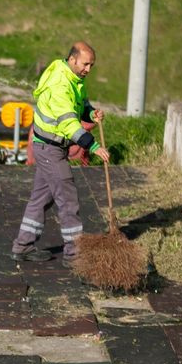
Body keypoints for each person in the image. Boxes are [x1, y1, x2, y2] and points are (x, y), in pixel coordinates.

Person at [12, 42, 110, 266]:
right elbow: (68, 125)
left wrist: (90, 111)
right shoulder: (60, 85)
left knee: (41, 198)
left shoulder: (72, 77)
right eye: (86, 64)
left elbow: (79, 103)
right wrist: (94, 147)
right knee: (68, 199)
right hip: (50, 149)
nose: (88, 70)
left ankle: (23, 246)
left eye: (92, 65)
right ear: (73, 59)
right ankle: (74, 254)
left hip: (50, 146)